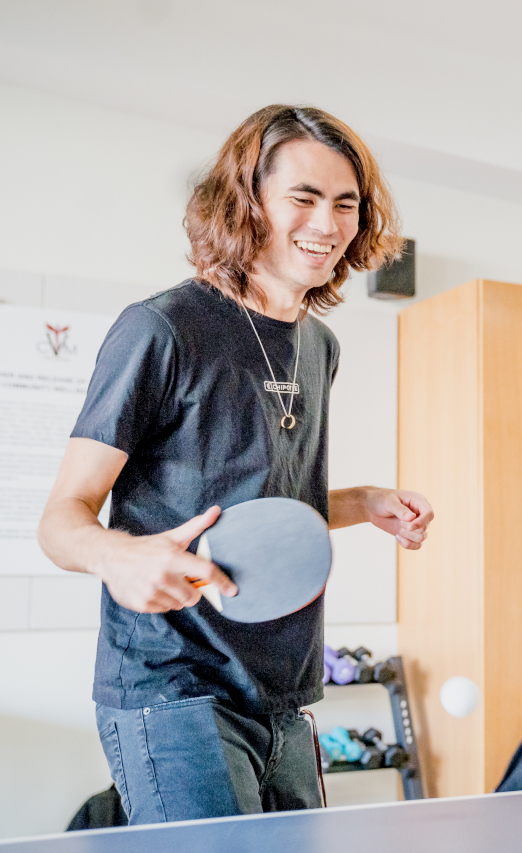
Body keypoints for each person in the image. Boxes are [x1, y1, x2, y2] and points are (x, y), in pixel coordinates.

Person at [37, 105, 432, 822]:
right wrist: (119, 558)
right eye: (304, 198)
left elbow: (267, 503)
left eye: (346, 203)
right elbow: (61, 520)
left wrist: (365, 500)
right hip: (173, 684)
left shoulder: (319, 347)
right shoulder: (161, 328)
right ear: (246, 203)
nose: (329, 222)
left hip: (285, 688)